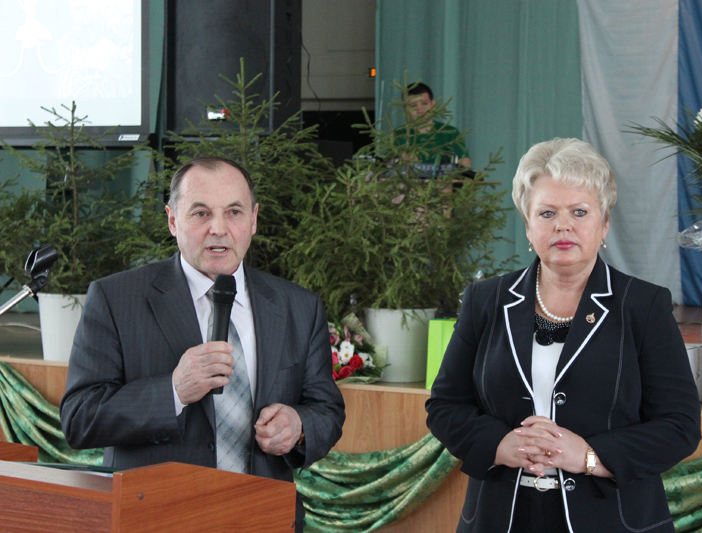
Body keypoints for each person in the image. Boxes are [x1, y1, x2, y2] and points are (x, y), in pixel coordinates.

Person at [425, 138, 701, 532]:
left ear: (604, 224)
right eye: (547, 212)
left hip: (611, 519)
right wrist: (499, 445)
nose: (563, 225)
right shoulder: (485, 300)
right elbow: (445, 405)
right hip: (499, 517)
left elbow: (680, 425)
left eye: (580, 211)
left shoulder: (643, 306)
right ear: (528, 225)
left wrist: (588, 455)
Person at [60, 156, 345, 531]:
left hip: (264, 517)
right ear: (172, 220)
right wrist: (173, 391)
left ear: (253, 219)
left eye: (234, 212)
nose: (219, 229)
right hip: (157, 519)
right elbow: (79, 418)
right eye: (201, 213)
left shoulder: (299, 307)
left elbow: (327, 409)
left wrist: (299, 426)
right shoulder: (115, 299)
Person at [397, 82, 472, 169]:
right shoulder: (398, 135)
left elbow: (465, 166)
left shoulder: (450, 133)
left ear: (433, 104)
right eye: (413, 106)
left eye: (424, 104)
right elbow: (386, 168)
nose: (420, 111)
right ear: (405, 109)